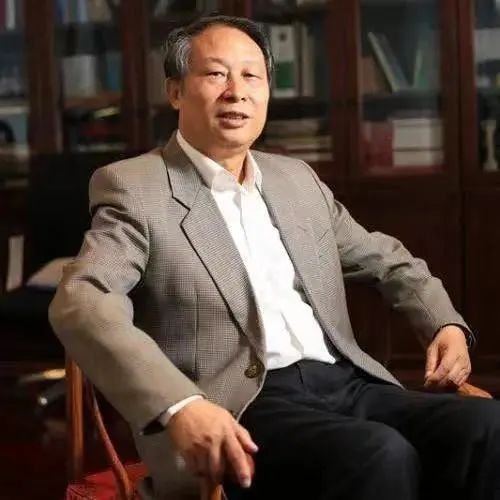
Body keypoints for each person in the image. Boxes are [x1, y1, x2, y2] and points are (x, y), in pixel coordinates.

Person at [49, 15, 500, 500]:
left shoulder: (295, 179)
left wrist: (443, 323)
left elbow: (385, 258)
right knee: (378, 453)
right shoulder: (136, 187)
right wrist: (180, 405)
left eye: (251, 76)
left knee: (486, 425)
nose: (236, 92)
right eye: (216, 74)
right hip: (239, 407)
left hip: (347, 384)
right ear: (175, 91)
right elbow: (84, 301)